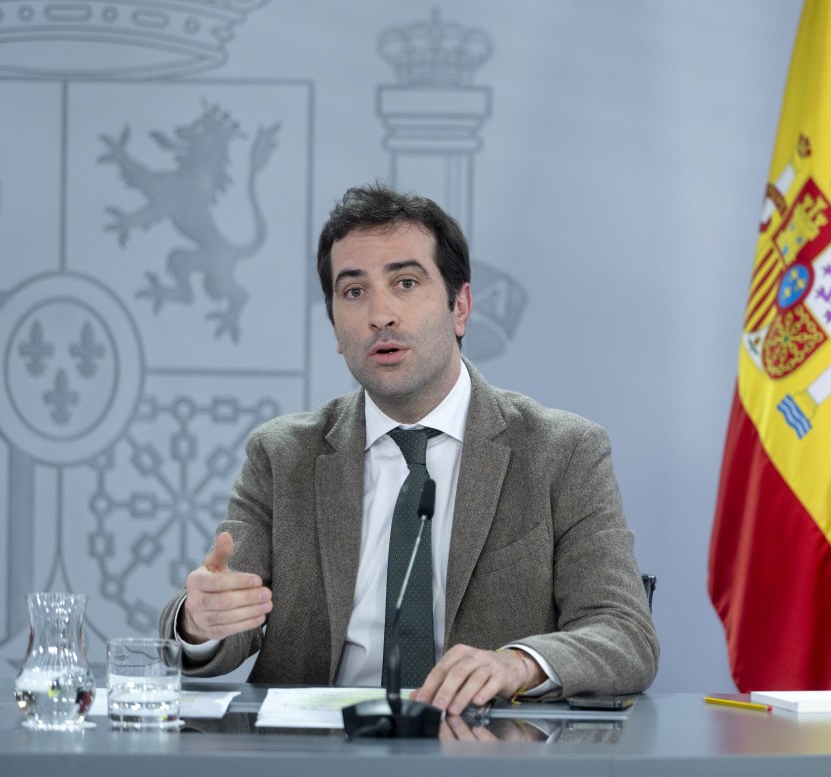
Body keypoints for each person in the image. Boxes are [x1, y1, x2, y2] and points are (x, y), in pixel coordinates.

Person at [159, 183, 658, 714]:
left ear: (460, 307)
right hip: (314, 755)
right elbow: (223, 618)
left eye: (405, 282)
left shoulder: (563, 452)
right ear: (335, 327)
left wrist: (517, 664)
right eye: (354, 292)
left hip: (488, 751)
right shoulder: (282, 456)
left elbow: (624, 633)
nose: (381, 314)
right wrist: (200, 621)